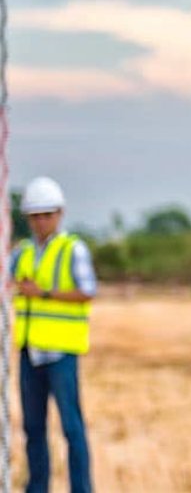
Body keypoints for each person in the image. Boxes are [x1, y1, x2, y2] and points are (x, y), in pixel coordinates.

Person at [11, 176, 95, 493]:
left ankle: (82, 489)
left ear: (60, 214)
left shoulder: (73, 250)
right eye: (34, 216)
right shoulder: (22, 253)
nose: (41, 222)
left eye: (47, 214)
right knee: (33, 428)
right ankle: (37, 487)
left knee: (71, 428)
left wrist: (43, 293)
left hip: (61, 353)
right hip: (30, 352)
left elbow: (87, 291)